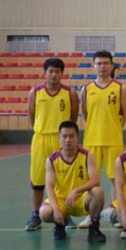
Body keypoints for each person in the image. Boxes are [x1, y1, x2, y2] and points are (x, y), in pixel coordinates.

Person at [25, 58, 79, 231]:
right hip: (41, 139)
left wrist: (64, 137)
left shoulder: (70, 93)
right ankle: (35, 214)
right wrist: (41, 129)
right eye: (51, 71)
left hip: (61, 140)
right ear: (45, 73)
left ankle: (65, 213)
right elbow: (32, 116)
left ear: (62, 73)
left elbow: (73, 118)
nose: (54, 74)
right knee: (38, 179)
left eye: (57, 71)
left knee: (62, 180)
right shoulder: (35, 92)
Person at [79, 50, 126, 227]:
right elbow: (86, 114)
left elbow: (125, 112)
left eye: (106, 63)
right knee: (91, 180)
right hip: (92, 139)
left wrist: (113, 127)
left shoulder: (120, 88)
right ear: (93, 66)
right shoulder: (86, 89)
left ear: (112, 65)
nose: (102, 66)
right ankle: (91, 214)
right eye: (99, 63)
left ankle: (116, 213)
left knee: (116, 179)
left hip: (113, 139)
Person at [38, 121, 106, 243]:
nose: (67, 140)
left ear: (77, 137)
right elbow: (49, 187)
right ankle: (60, 224)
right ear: (59, 138)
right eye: (64, 136)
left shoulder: (87, 155)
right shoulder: (52, 160)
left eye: (71, 136)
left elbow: (95, 180)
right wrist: (56, 209)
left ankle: (94, 228)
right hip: (61, 199)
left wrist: (76, 190)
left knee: (98, 192)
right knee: (44, 213)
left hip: (81, 199)